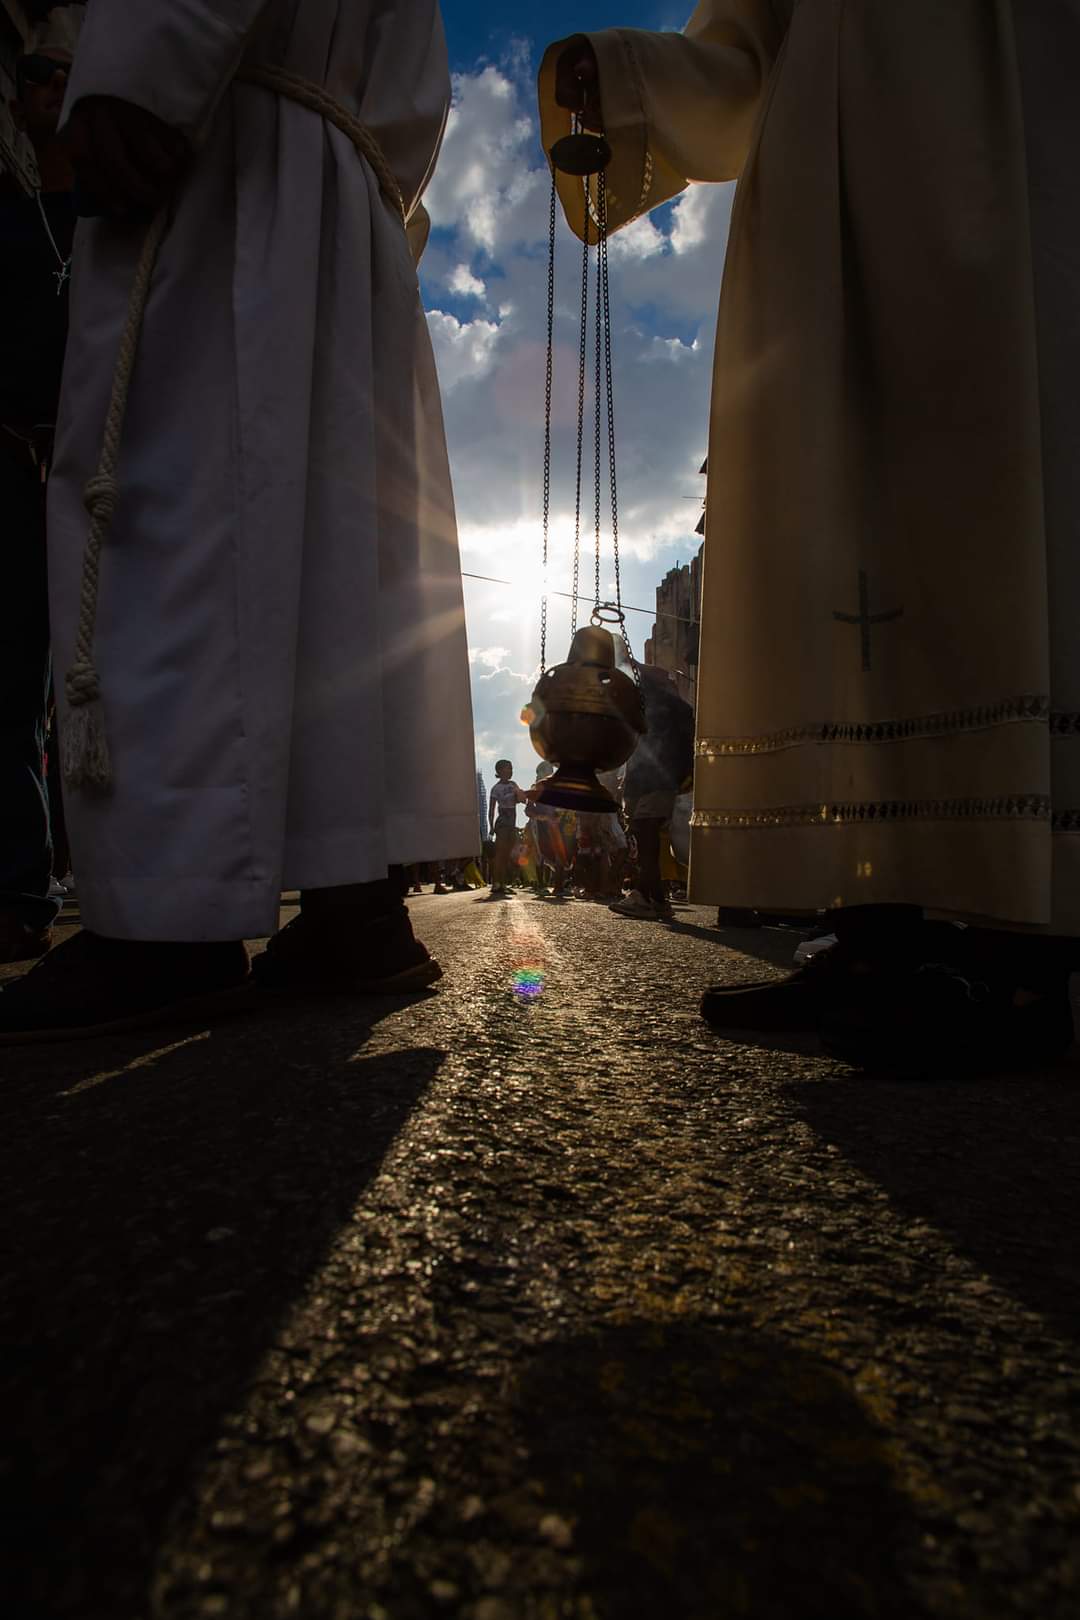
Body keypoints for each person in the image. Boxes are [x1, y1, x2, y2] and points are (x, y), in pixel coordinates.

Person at [543, 4, 1080, 1072]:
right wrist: (634, 76)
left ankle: (1023, 955)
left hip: (1012, 101)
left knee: (990, 489)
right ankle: (878, 935)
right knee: (840, 517)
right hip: (817, 196)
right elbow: (744, 54)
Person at [0, 0, 477, 1042]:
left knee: (187, 498)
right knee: (333, 567)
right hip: (340, 175)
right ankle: (355, 905)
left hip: (226, 135)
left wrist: (138, 57)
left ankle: (165, 925)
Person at [0, 16, 77, 966]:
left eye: (64, 72)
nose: (47, 86)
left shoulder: (121, 218)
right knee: (14, 687)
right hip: (17, 474)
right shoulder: (10, 222)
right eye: (34, 73)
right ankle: (21, 887)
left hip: (111, 485)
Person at [610, 664, 694, 922]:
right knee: (643, 842)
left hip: (658, 781)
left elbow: (683, 746)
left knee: (647, 840)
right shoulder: (642, 709)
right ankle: (656, 899)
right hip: (642, 782)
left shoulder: (673, 709)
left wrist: (682, 777)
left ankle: (645, 897)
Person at [488, 760, 526, 898]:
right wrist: (491, 826)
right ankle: (496, 883)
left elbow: (522, 799)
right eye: (507, 769)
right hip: (503, 823)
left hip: (512, 824)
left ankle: (502, 883)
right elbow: (491, 809)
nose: (510, 771)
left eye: (511, 768)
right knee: (500, 854)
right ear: (499, 771)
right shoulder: (495, 789)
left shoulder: (513, 784)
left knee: (506, 856)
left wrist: (520, 794)